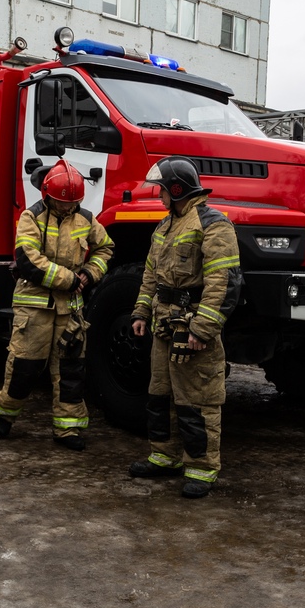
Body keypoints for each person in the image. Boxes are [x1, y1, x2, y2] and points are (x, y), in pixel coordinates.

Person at [128, 157, 241, 498]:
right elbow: (151, 277)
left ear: (176, 189)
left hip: (191, 328)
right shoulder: (164, 227)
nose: (158, 194)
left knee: (197, 400)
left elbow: (225, 282)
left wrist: (202, 329)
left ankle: (202, 468)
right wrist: (140, 313)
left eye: (161, 189)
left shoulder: (213, 224)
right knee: (159, 396)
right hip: (164, 326)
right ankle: (164, 456)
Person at [0, 160, 114, 451]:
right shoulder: (30, 218)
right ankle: (5, 415)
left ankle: (67, 430)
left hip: (70, 310)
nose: (67, 209)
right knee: (24, 367)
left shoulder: (86, 218)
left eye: (73, 203)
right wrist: (71, 279)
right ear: (47, 196)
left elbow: (106, 248)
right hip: (35, 310)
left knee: (70, 371)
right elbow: (27, 259)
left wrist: (89, 273)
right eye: (61, 203)